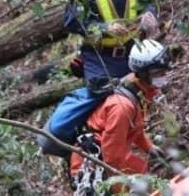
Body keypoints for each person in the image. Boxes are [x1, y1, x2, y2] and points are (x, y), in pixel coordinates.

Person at [70, 39, 170, 193]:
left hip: (113, 154)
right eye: (159, 73)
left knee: (142, 171)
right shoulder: (122, 107)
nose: (163, 76)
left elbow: (135, 126)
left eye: (164, 71)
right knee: (140, 185)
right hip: (94, 163)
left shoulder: (138, 91)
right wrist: (120, 189)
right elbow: (111, 155)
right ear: (144, 73)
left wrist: (148, 147)